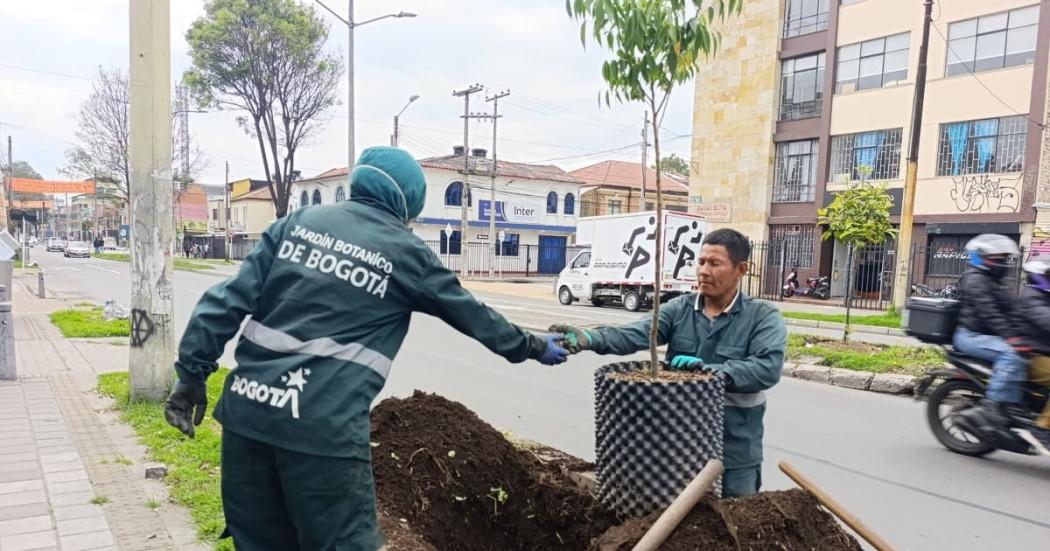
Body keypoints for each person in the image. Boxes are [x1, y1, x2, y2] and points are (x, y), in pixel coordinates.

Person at [162, 146, 569, 550]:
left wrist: (191, 376)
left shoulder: (296, 223)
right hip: (321, 430)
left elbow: (225, 301)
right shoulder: (406, 253)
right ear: (408, 201)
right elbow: (478, 319)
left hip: (248, 417)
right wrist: (533, 346)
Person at [551, 228, 786, 497]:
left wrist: (709, 372)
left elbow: (766, 369)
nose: (704, 271)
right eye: (701, 262)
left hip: (733, 451)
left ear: (741, 269)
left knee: (734, 524)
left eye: (715, 263)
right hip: (678, 449)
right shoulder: (680, 309)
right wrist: (591, 337)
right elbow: (637, 333)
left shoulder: (762, 317)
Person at [953, 234, 1025, 441]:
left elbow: (1013, 308)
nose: (1002, 263)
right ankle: (992, 409)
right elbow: (990, 313)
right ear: (979, 258)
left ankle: (1018, 406)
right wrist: (1012, 338)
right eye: (996, 258)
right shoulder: (975, 280)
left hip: (985, 334)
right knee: (1012, 354)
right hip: (970, 336)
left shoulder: (992, 280)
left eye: (1004, 258)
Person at [1012, 259, 1050, 432]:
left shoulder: (1043, 296)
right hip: (1032, 355)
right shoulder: (1032, 297)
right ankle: (1043, 427)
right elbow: (1047, 320)